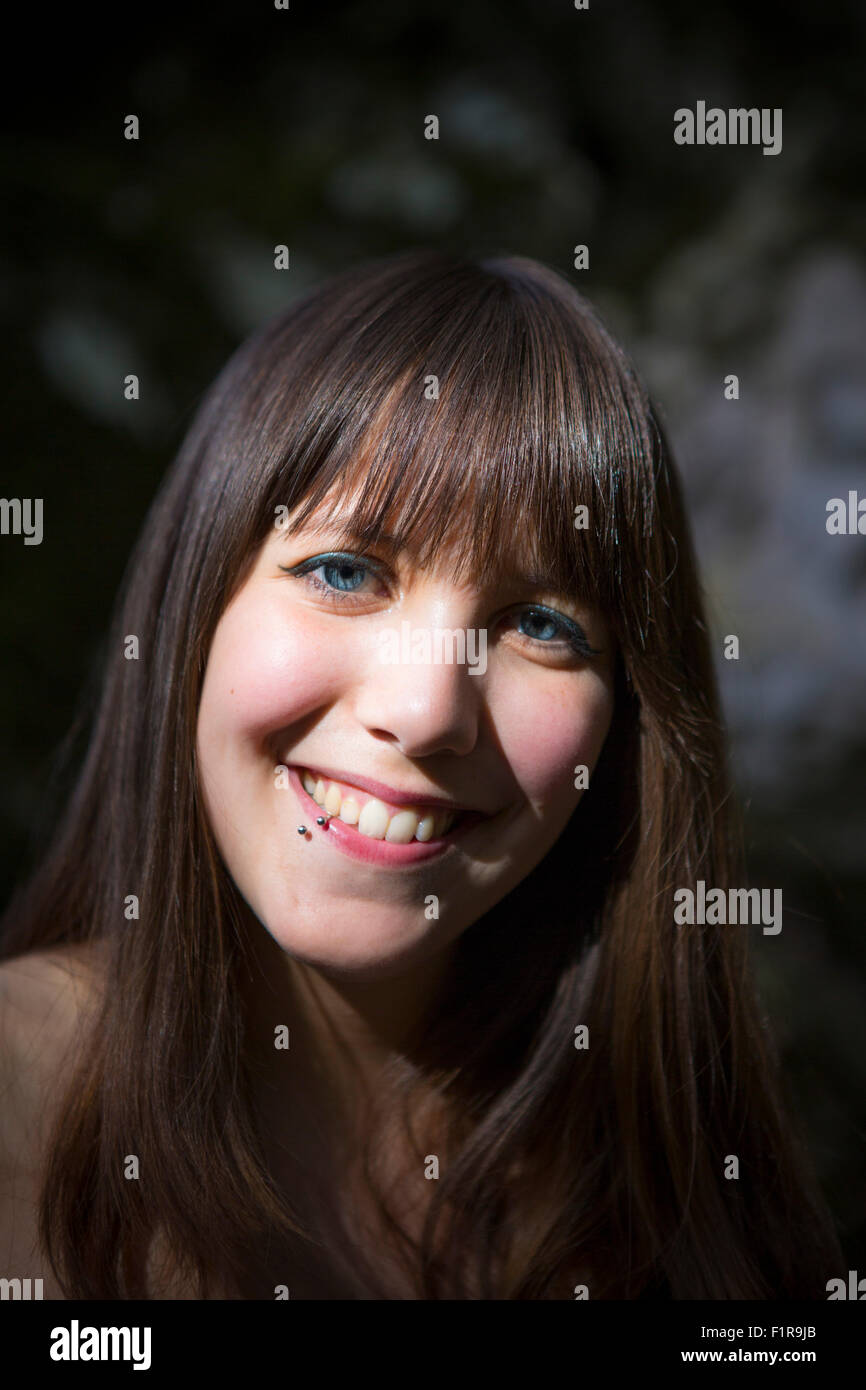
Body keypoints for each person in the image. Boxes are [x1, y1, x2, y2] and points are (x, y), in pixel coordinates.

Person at [0, 249, 843, 1299]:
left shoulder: (688, 1207)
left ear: (625, 726)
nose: (426, 710)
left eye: (540, 624)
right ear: (192, 604)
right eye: (344, 572)